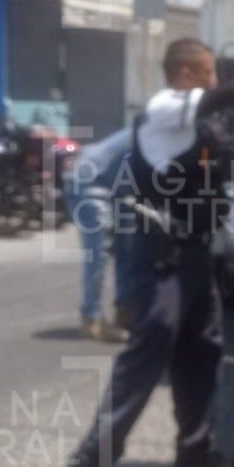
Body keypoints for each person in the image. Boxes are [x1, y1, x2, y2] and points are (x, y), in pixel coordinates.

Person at [61, 39, 234, 467]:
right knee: (148, 352)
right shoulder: (164, 109)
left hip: (195, 254)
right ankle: (86, 466)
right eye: (211, 72)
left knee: (202, 351)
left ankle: (194, 451)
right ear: (188, 74)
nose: (217, 82)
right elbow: (224, 97)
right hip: (158, 252)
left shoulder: (201, 129)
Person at [64, 129, 150, 342]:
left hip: (118, 187)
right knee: (98, 252)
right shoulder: (155, 135)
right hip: (91, 181)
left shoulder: (157, 131)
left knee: (127, 249)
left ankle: (126, 313)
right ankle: (91, 319)